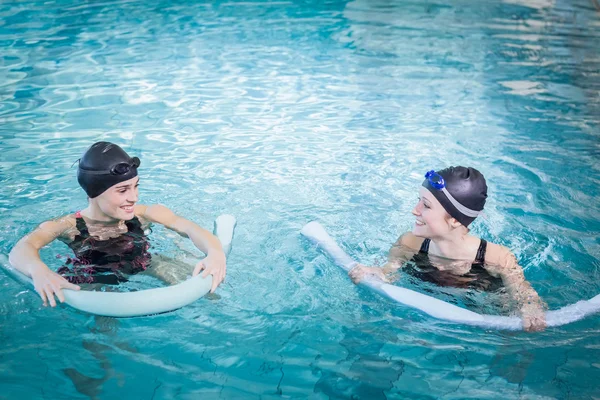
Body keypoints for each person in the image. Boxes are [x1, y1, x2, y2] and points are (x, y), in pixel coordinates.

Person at [8, 141, 227, 308]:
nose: (134, 197)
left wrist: (215, 252)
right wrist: (39, 271)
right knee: (101, 339)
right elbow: (22, 249)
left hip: (148, 263)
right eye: (122, 190)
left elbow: (189, 227)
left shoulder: (144, 214)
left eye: (135, 186)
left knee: (210, 294)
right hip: (93, 277)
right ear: (95, 192)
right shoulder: (67, 225)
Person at [349, 166, 547, 332]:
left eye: (425, 205)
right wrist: (375, 272)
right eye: (418, 200)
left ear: (454, 219)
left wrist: (531, 308)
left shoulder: (496, 257)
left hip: (478, 307)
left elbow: (523, 294)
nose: (414, 210)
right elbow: (388, 272)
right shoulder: (409, 243)